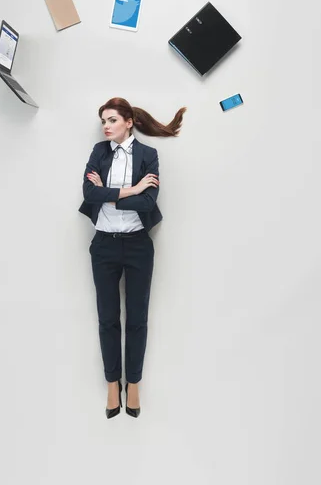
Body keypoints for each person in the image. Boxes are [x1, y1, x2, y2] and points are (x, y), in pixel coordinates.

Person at [79, 97, 186, 418]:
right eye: (103, 121)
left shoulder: (148, 154)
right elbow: (88, 194)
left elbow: (149, 202)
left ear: (129, 122)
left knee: (137, 320)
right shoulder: (99, 152)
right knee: (107, 318)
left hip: (139, 245)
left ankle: (133, 384)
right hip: (104, 245)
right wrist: (131, 189)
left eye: (111, 120)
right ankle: (113, 383)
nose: (106, 126)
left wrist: (111, 194)